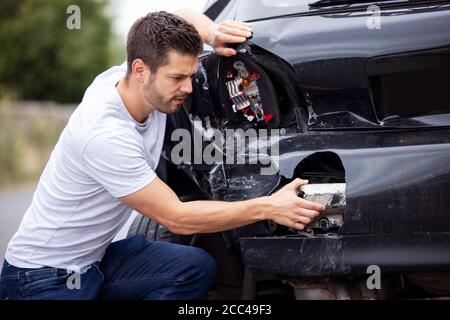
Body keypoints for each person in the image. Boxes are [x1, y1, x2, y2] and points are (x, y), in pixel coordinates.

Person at [0, 9, 325, 300]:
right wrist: (270, 207)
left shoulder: (135, 77)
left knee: (193, 268)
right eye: (177, 78)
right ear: (140, 69)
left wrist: (211, 34)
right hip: (40, 278)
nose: (187, 87)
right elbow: (176, 218)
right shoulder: (104, 134)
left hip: (94, 262)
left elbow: (176, 16)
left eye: (190, 74)